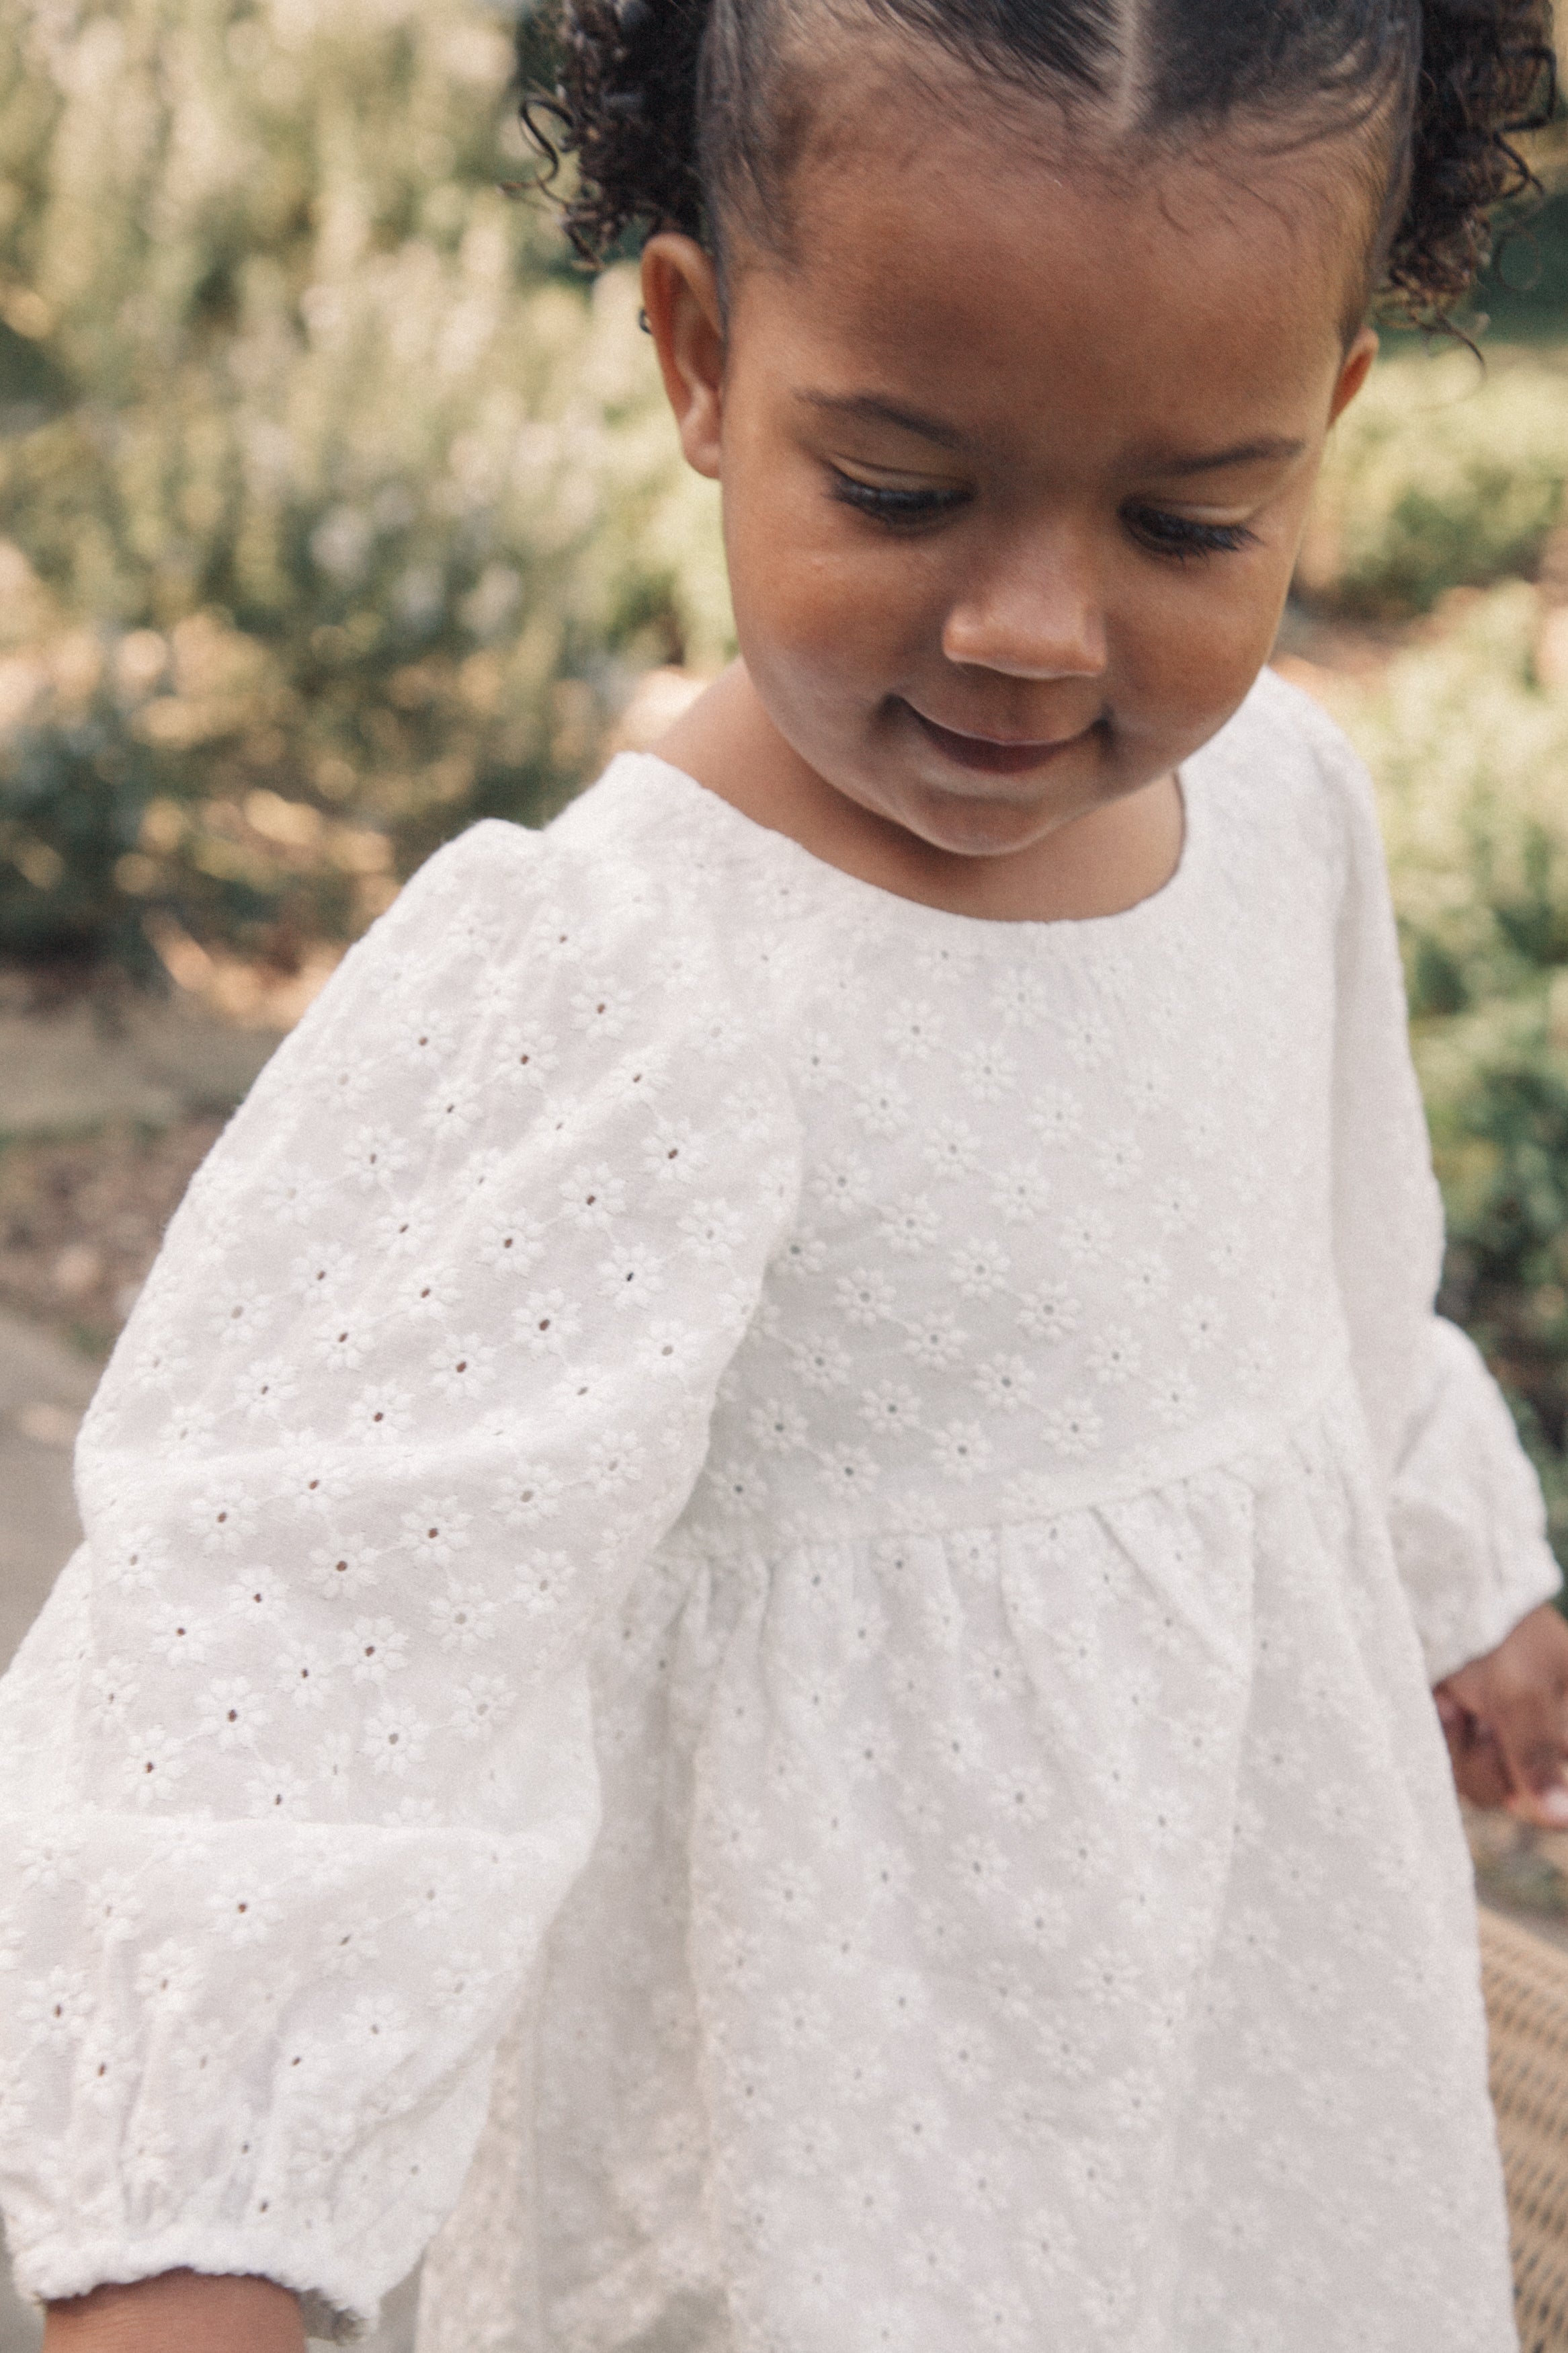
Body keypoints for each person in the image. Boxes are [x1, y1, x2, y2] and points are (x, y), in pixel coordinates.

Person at [6, 0, 1567, 2346]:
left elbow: (1341, 1276)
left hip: (1245, 2049)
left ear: (1325, 420)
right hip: (832, 2152)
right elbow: (304, 1636)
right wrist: (199, 2250)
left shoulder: (1281, 816)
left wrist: (1454, 1562)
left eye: (1187, 520)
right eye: (905, 489)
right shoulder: (619, 991)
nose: (1033, 630)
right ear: (704, 352)